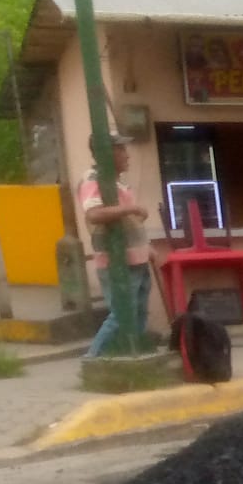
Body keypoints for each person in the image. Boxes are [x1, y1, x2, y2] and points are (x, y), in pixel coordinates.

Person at [79, 135, 153, 357]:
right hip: (117, 261)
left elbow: (128, 223)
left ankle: (132, 355)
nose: (127, 155)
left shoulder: (119, 182)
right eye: (121, 149)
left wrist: (146, 247)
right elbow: (94, 214)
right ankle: (93, 358)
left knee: (139, 311)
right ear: (107, 153)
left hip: (136, 258)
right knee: (122, 313)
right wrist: (131, 209)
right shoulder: (94, 179)